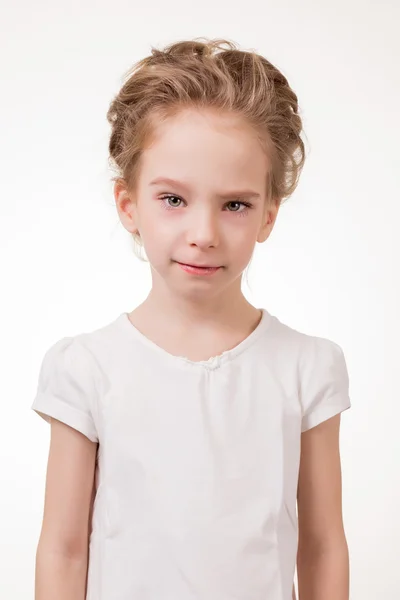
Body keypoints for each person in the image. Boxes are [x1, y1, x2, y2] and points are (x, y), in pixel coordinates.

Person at [31, 38, 351, 600]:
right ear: (128, 205)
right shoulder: (87, 369)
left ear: (268, 216)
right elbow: (63, 548)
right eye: (173, 199)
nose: (203, 233)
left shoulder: (307, 367)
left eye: (234, 205)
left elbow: (323, 545)